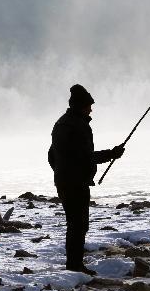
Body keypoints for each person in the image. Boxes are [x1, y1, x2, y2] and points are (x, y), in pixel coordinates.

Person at [48, 84, 125, 275]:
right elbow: (85, 156)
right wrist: (112, 154)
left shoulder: (61, 123)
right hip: (76, 183)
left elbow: (51, 155)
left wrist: (61, 173)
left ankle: (73, 264)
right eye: (89, 106)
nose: (91, 109)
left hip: (64, 182)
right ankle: (74, 266)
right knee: (79, 224)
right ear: (81, 106)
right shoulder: (79, 126)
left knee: (74, 223)